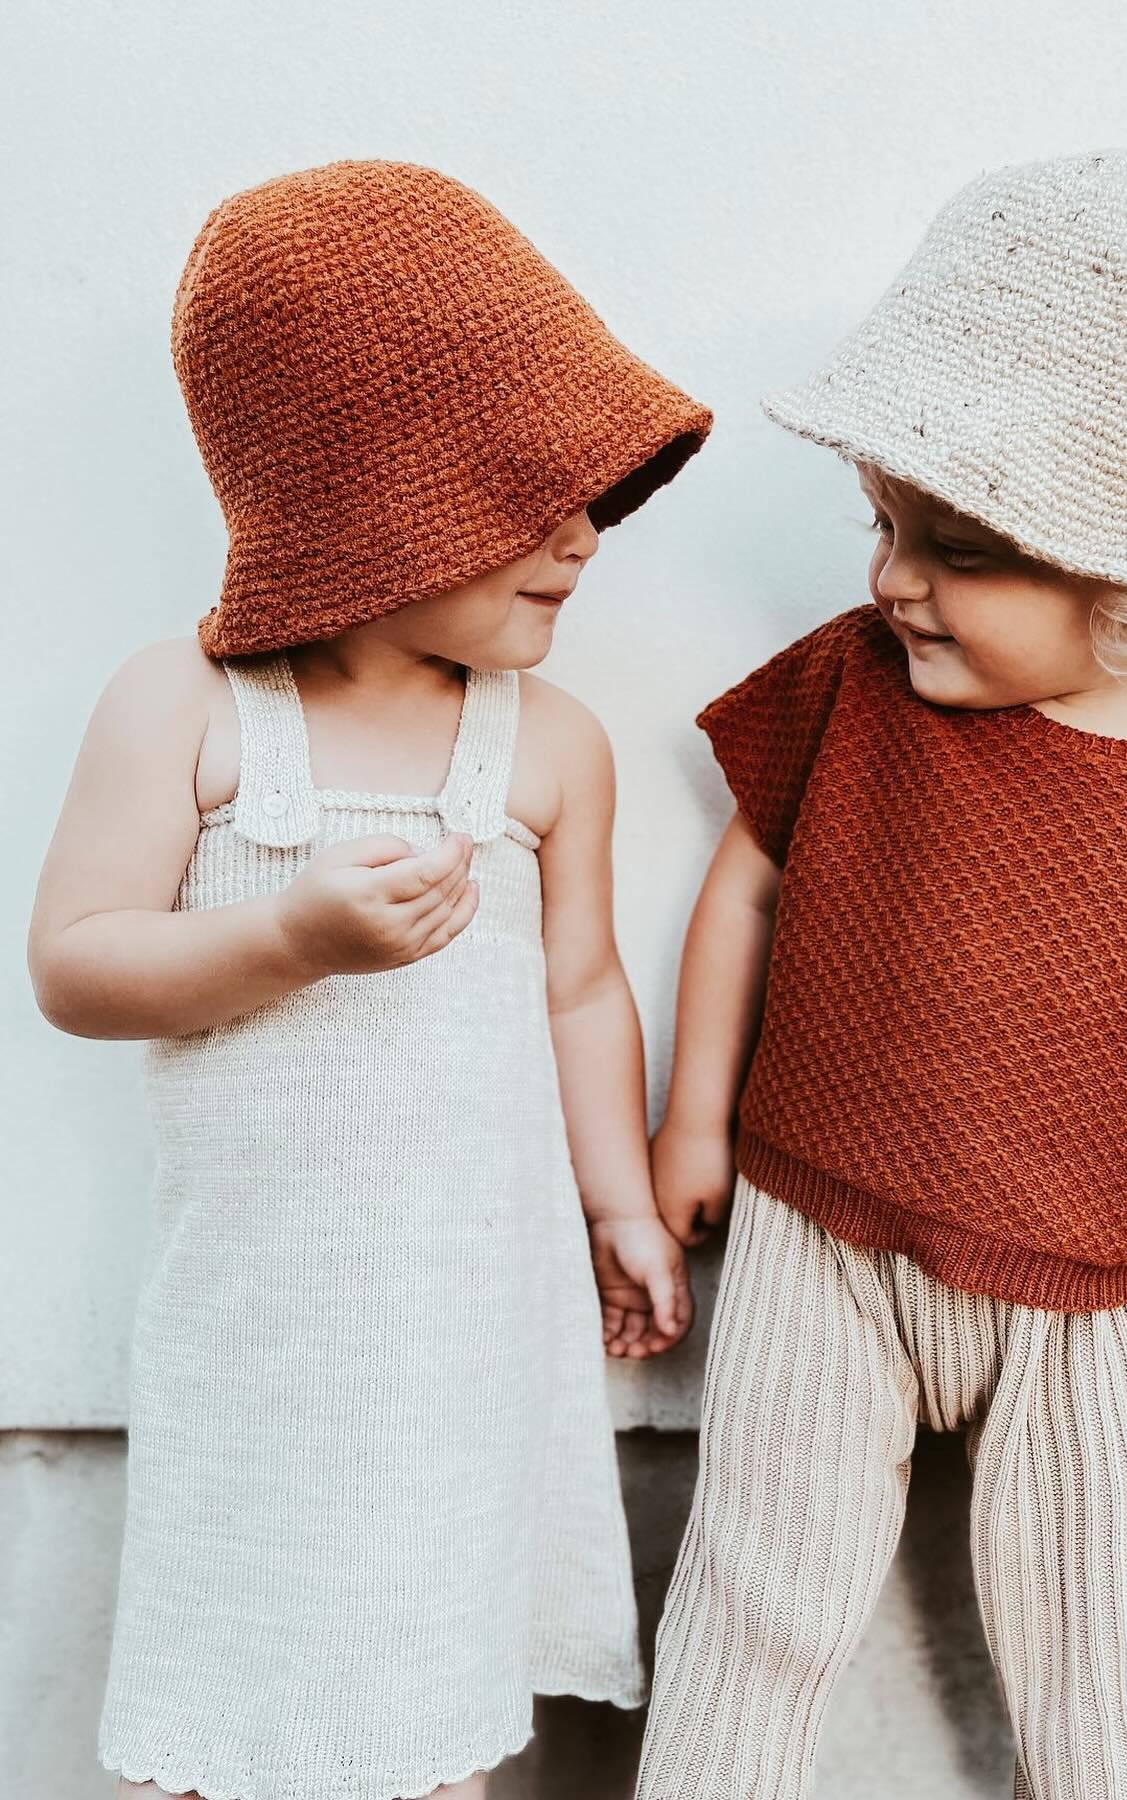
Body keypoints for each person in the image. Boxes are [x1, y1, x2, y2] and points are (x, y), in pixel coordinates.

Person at [634, 147, 1127, 1799]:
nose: (890, 579)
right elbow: (748, 894)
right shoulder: (853, 687)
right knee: (750, 1606)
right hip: (816, 1237)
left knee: (1101, 1640)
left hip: (1096, 1292)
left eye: (960, 549)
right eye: (883, 522)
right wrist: (691, 1126)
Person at [27, 158, 710, 1800]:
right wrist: (287, 940)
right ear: (365, 498)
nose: (581, 539)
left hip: (472, 1313)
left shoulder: (546, 746)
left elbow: (581, 992)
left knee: (434, 1663)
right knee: (240, 1651)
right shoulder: (190, 711)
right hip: (263, 1321)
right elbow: (78, 964)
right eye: (524, 499)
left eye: (594, 497)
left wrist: (616, 1202)